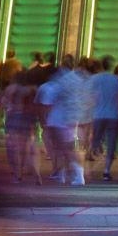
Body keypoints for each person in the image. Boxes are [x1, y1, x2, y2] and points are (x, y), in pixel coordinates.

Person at [36, 54, 85, 186]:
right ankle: (66, 173)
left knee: (63, 148)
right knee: (67, 147)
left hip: (59, 118)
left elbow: (51, 98)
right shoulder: (77, 79)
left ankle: (73, 174)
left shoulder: (60, 79)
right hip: (72, 117)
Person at [87, 56, 118, 181]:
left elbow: (90, 96)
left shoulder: (94, 79)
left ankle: (90, 161)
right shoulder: (117, 80)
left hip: (98, 114)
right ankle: (107, 170)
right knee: (112, 143)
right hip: (113, 115)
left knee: (95, 139)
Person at [1, 69, 39, 183]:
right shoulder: (33, 89)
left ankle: (17, 173)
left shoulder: (11, 88)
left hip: (13, 118)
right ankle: (22, 169)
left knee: (14, 146)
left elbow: (3, 103)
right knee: (24, 146)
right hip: (28, 118)